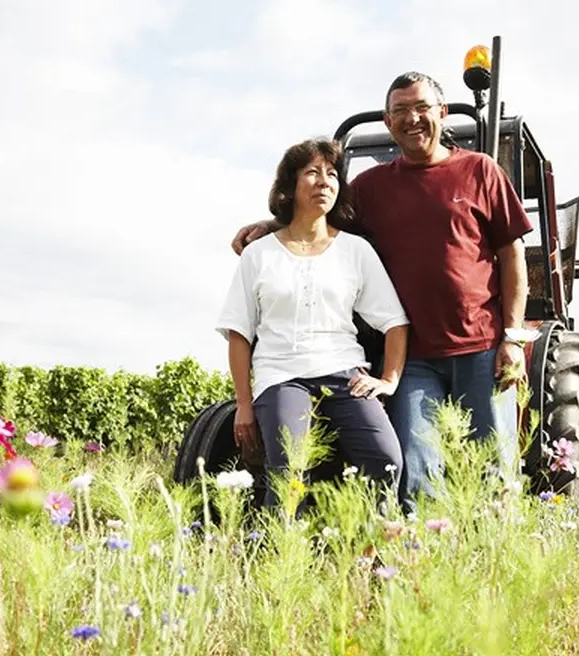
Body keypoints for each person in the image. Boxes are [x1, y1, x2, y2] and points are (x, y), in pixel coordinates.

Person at [232, 72, 535, 511]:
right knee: (413, 468)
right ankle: (421, 564)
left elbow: (512, 254)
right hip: (412, 360)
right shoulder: (373, 188)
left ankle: (494, 563)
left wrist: (512, 337)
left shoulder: (479, 171)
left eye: (421, 108)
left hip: (480, 347)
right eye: (399, 112)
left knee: (491, 469)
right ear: (389, 124)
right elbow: (319, 221)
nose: (411, 119)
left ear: (442, 113)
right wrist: (271, 226)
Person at [215, 138, 411, 509]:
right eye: (312, 172)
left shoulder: (356, 250)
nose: (324, 181)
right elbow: (239, 332)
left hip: (343, 371)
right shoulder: (259, 254)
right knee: (289, 469)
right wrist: (244, 404)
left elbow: (394, 322)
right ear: (289, 187)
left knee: (386, 461)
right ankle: (288, 558)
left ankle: (370, 556)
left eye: (332, 174)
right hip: (281, 376)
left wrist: (388, 380)